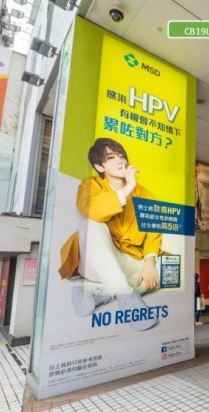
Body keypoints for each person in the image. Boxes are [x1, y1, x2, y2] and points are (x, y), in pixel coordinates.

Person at [59, 138, 164, 331]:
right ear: (100, 166)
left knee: (164, 273)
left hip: (129, 260)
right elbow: (92, 210)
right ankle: (126, 296)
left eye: (121, 155)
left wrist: (150, 264)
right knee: (90, 223)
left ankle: (98, 293)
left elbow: (153, 232)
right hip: (94, 261)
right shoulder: (90, 185)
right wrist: (127, 188)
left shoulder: (145, 194)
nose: (120, 160)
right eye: (111, 157)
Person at [194, 162, 204, 231]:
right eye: (195, 171)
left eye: (198, 172)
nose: (196, 174)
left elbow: (200, 202)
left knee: (200, 228)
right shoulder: (186, 181)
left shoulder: (200, 185)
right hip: (188, 207)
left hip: (195, 209)